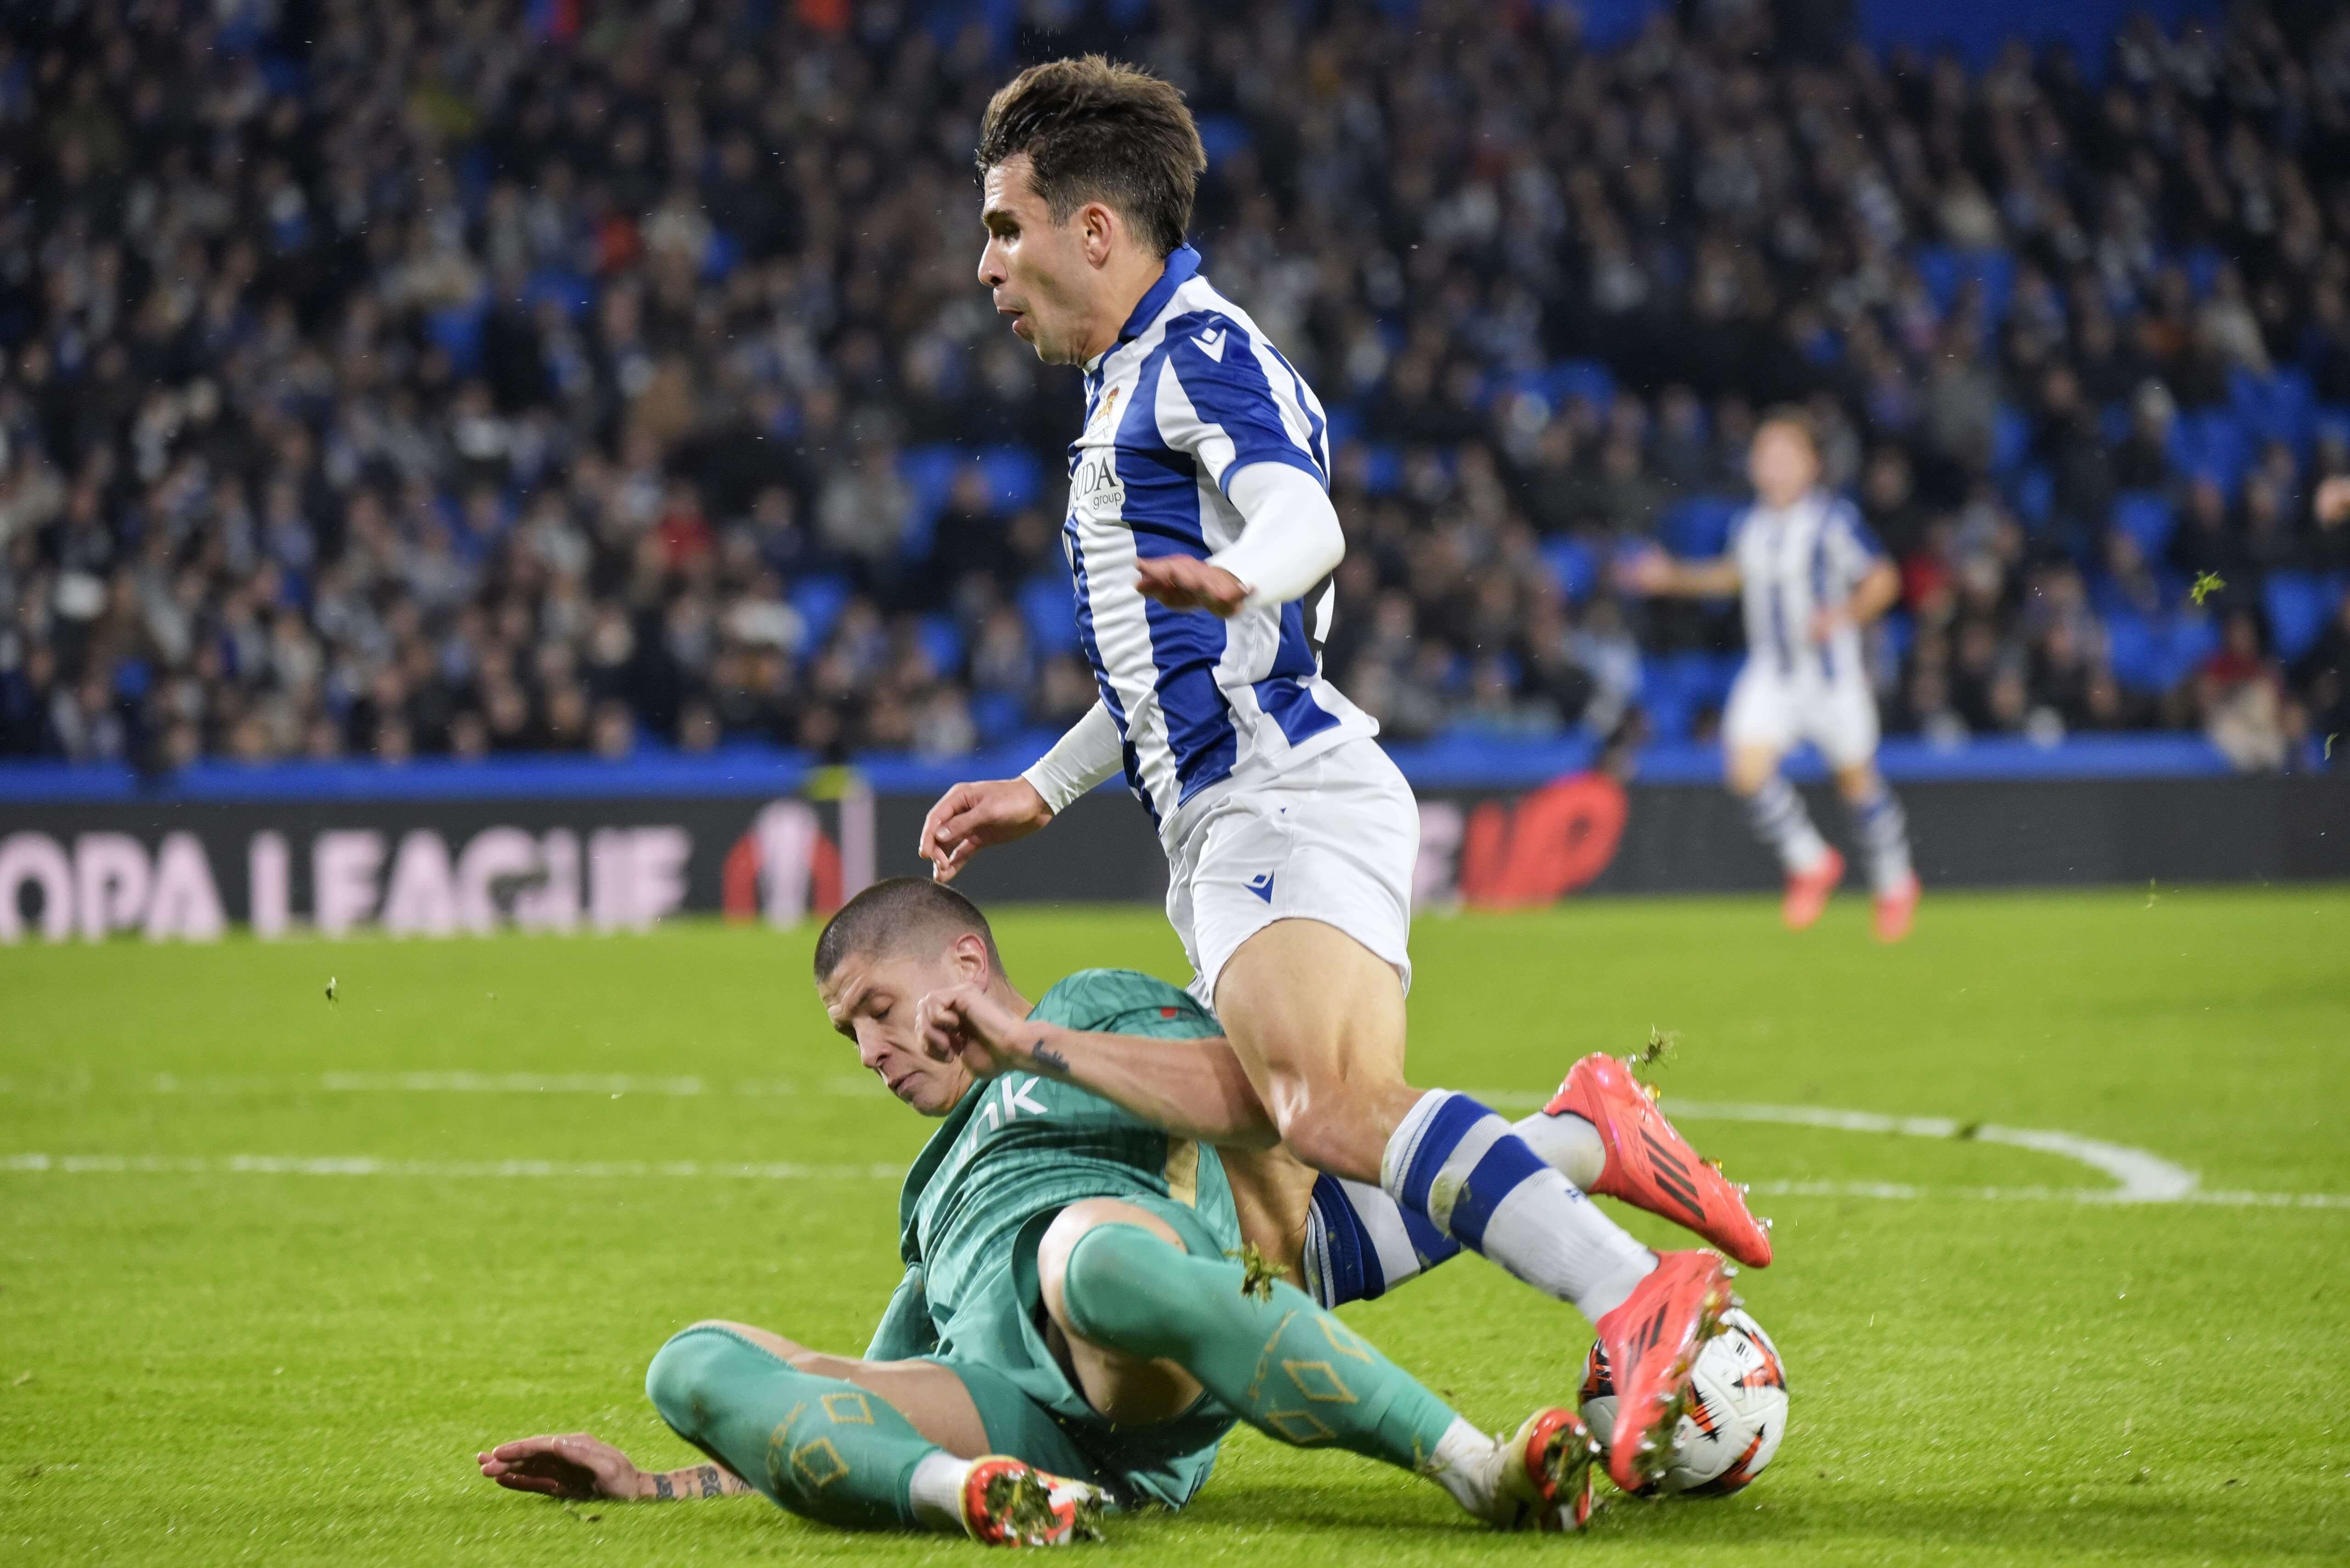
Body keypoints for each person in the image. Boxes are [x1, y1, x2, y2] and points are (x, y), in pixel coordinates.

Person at [913, 56, 1765, 1495]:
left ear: (1094, 231)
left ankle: (1631, 1291)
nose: (983, 261)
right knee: (1286, 1224)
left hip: (1278, 799)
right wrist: (1042, 790)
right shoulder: (1136, 376)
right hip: (1235, 809)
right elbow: (1154, 674)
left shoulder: (1194, 352)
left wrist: (1243, 569)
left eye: (1005, 226)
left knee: (1314, 1109)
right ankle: (1578, 1132)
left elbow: (1306, 516)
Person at [477, 878, 1604, 1544]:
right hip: (1015, 1423)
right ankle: (982, 1500)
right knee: (688, 1364)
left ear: (963, 963)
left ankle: (1476, 1468)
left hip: (1134, 1337)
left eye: (877, 1009)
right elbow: (844, 1406)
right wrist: (655, 1484)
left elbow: (1266, 1111)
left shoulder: (1088, 1015)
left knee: (1084, 1255)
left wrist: (1034, 1047)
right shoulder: (930, 1194)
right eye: (846, 1035)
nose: (868, 1052)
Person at [1619, 410, 1922, 941]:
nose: (1773, 466)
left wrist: (1843, 616)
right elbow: (1733, 575)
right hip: (1773, 673)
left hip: (1830, 677)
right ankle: (1809, 862)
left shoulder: (1831, 521)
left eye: (1785, 454)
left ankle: (1894, 882)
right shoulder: (1752, 525)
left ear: (1812, 464)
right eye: (1765, 454)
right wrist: (1672, 578)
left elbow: (1883, 578)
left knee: (1856, 785)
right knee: (1744, 771)